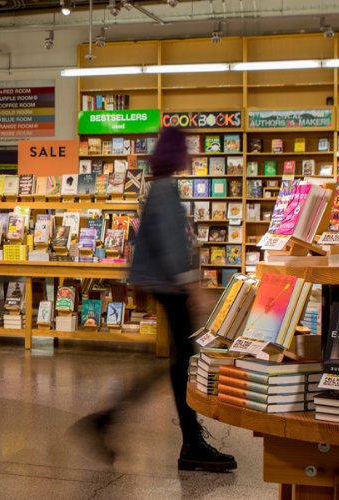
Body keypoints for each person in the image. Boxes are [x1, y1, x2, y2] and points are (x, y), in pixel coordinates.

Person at [73, 127, 237, 473]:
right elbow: (170, 244)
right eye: (186, 149)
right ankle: (189, 443)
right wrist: (192, 286)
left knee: (179, 361)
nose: (190, 155)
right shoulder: (164, 190)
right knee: (183, 362)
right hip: (170, 285)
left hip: (163, 283)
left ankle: (114, 421)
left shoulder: (160, 188)